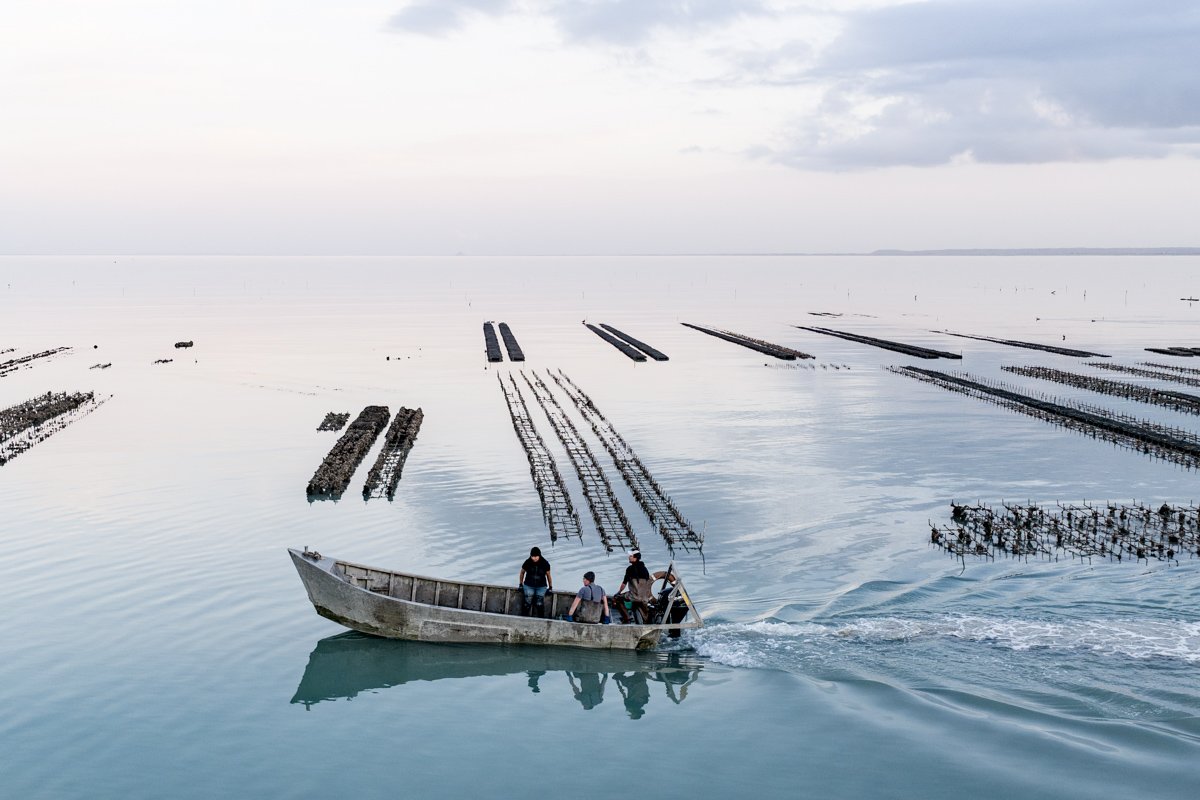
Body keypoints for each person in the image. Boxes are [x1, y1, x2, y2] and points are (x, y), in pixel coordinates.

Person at [614, 550, 653, 624]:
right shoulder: (645, 569)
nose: (629, 557)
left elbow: (624, 584)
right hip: (645, 597)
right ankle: (645, 619)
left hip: (634, 595)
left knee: (617, 598)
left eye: (631, 556)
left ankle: (627, 619)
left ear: (635, 558)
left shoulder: (630, 569)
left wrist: (618, 592)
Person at [518, 546, 552, 617]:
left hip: (541, 586)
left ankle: (541, 619)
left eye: (536, 556)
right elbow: (522, 573)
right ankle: (523, 618)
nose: (534, 558)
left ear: (539, 555)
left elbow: (548, 575)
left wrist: (550, 587)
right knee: (527, 602)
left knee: (539, 603)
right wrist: (521, 584)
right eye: (533, 556)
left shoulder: (545, 563)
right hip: (529, 585)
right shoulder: (527, 562)